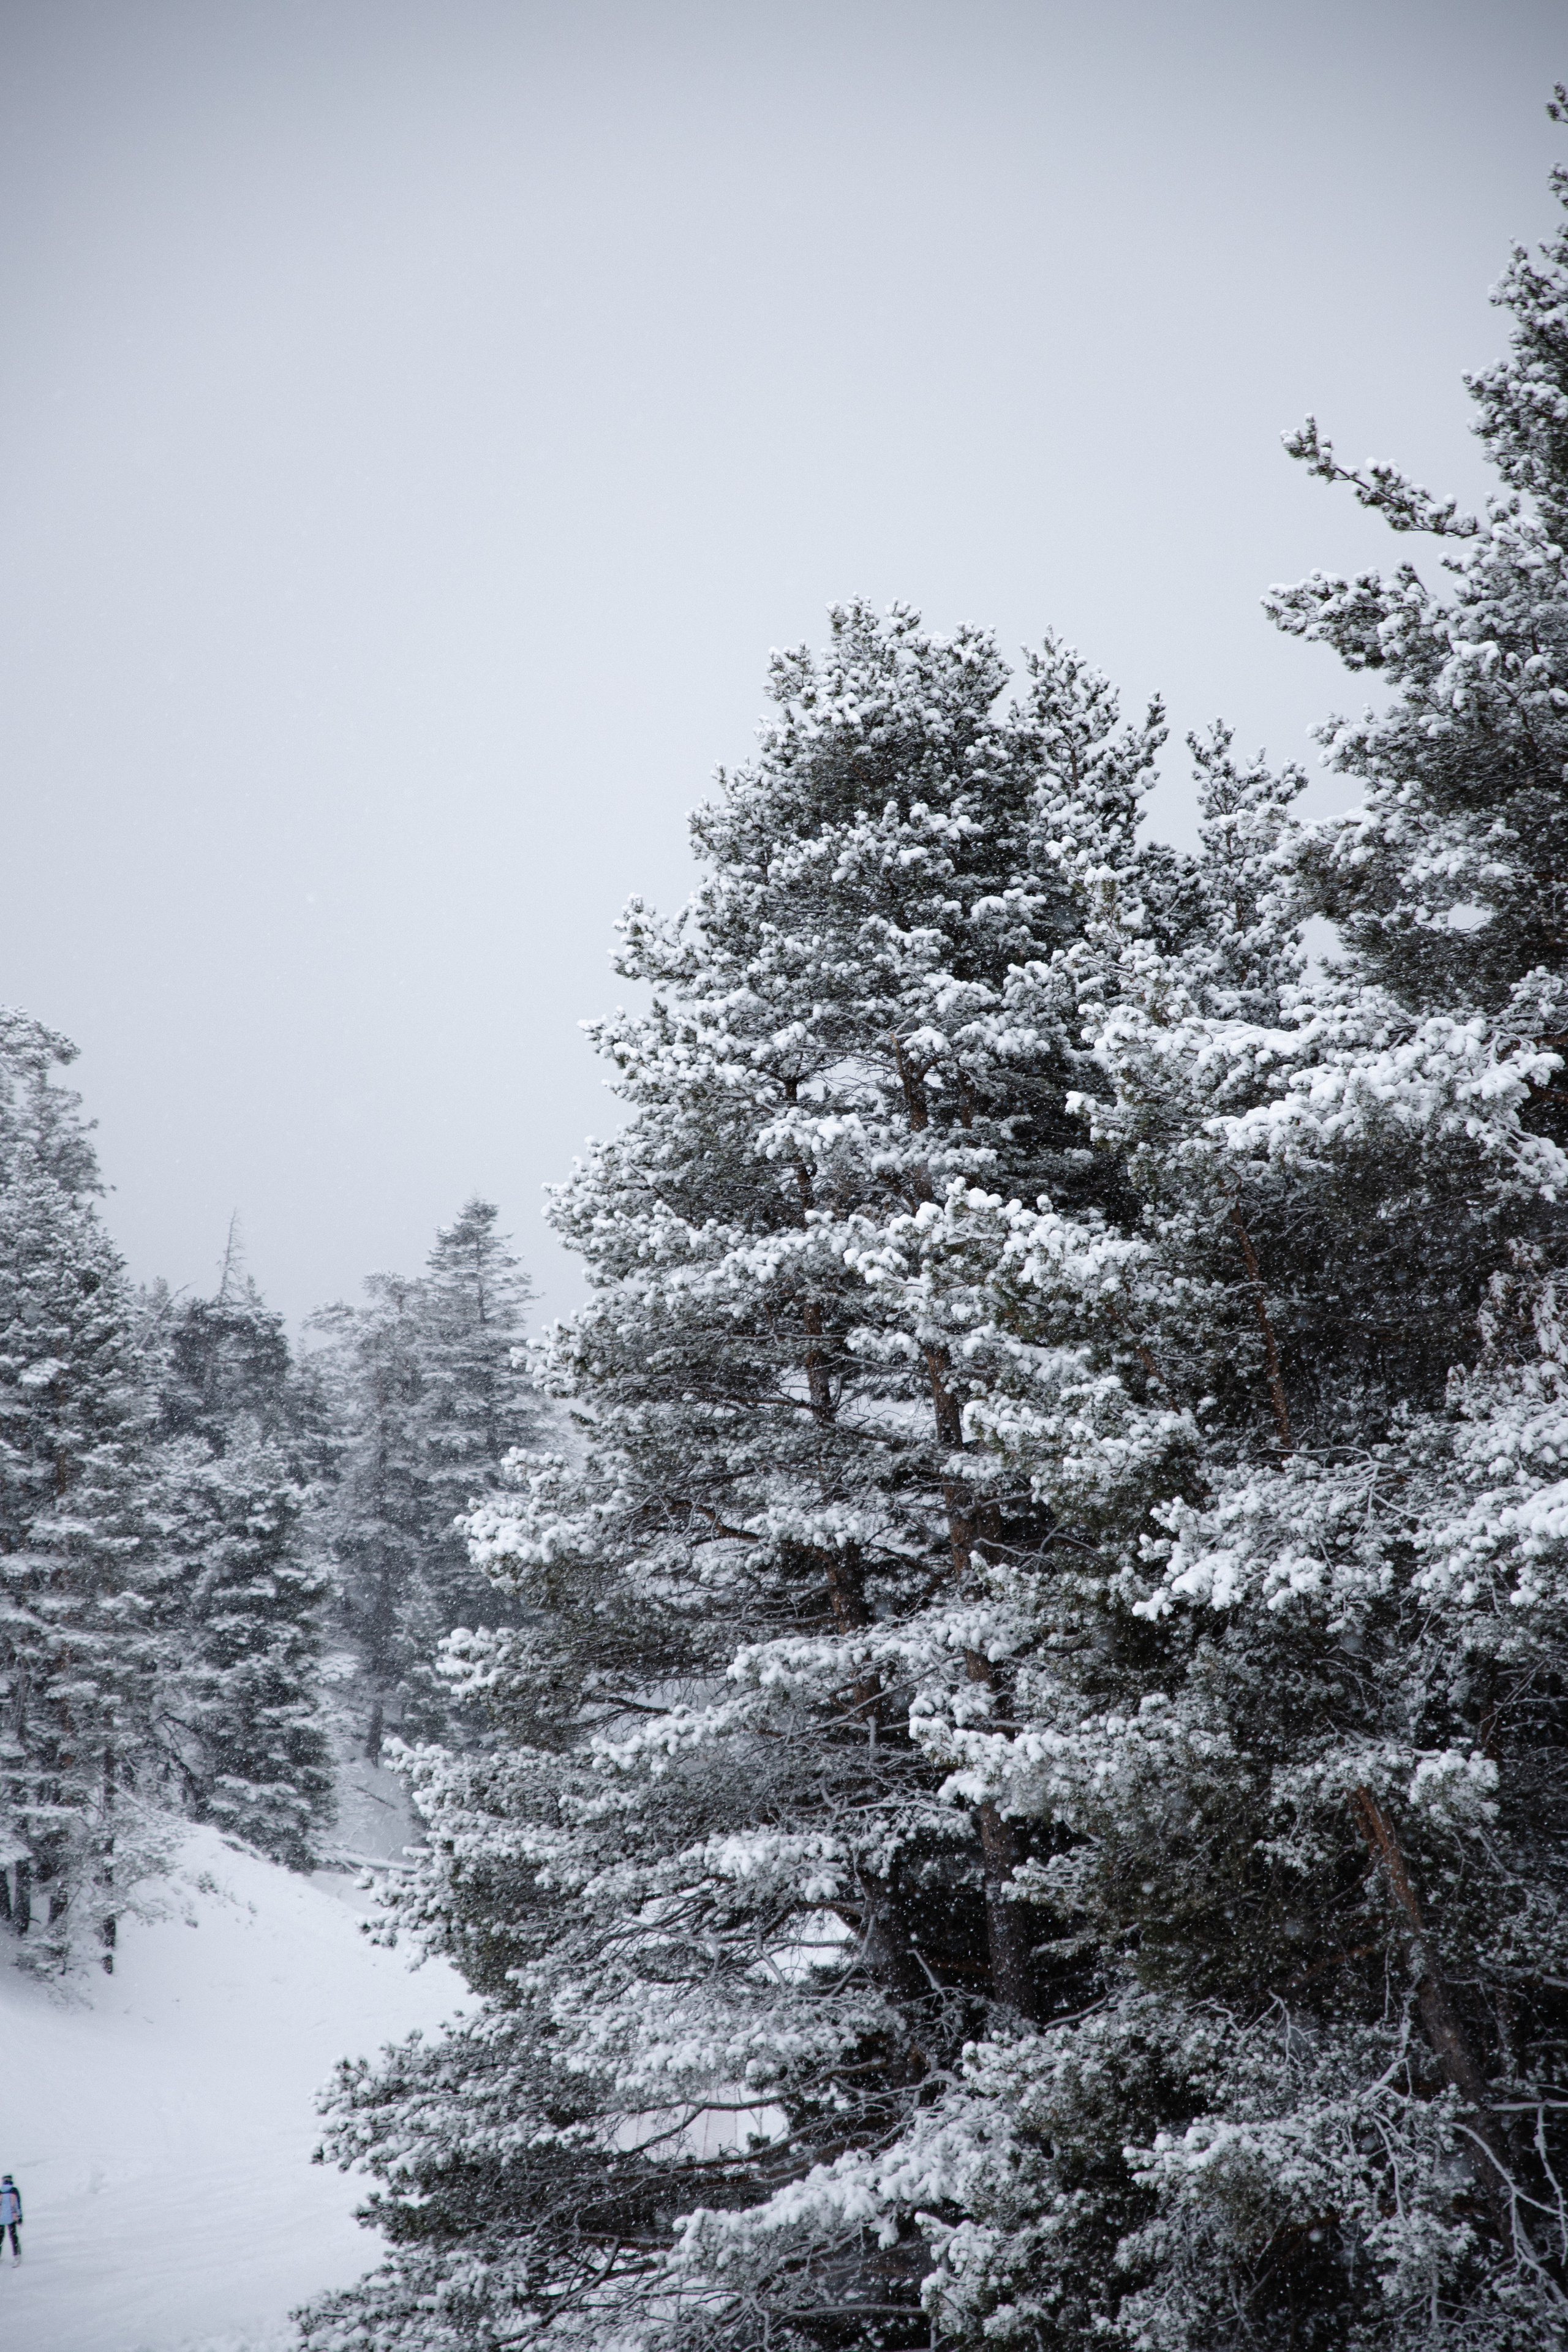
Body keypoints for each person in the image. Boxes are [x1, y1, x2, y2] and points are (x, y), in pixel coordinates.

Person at [0, 2174, 20, 2263]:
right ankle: (17, 2257)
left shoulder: (0, 2191)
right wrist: (19, 2216)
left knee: (0, 2237)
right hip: (12, 2217)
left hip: (1, 2218)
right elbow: (17, 2204)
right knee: (13, 2237)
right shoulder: (14, 2190)